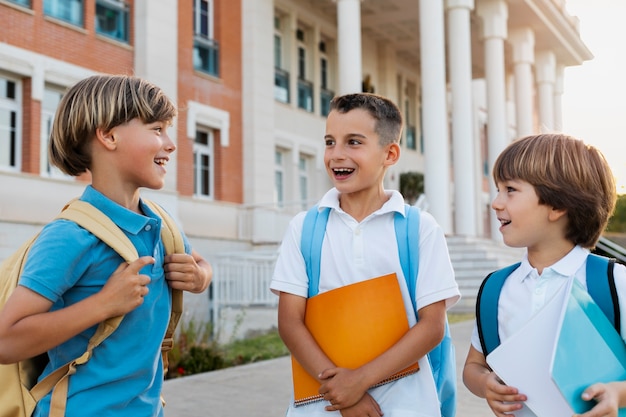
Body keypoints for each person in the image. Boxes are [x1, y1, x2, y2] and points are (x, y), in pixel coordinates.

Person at [0, 74, 212, 416]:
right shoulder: (70, 236)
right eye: (157, 129)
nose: (171, 144)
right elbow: (5, 340)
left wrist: (201, 275)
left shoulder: (161, 224)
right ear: (109, 135)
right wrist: (103, 304)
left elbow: (199, 263)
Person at [270, 92, 460, 416]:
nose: (336, 155)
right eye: (330, 142)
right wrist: (343, 394)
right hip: (324, 406)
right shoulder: (304, 228)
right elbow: (290, 322)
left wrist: (359, 382)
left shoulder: (420, 229)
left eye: (353, 142)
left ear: (390, 153)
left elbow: (432, 326)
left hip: (407, 405)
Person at [463, 133, 626, 417]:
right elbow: (473, 366)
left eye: (510, 190)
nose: (496, 203)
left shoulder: (613, 282)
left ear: (557, 205)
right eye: (498, 189)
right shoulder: (495, 289)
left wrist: (617, 394)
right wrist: (485, 383)